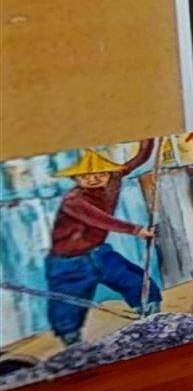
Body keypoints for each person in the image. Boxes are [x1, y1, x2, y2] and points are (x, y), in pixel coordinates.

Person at [43, 142, 159, 345]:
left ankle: (152, 317)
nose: (94, 179)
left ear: (109, 173)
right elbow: (98, 218)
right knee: (66, 304)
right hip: (68, 263)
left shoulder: (113, 179)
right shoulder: (73, 200)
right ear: (75, 179)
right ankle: (71, 343)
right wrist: (136, 230)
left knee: (135, 280)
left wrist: (149, 139)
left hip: (99, 253)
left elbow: (140, 158)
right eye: (86, 176)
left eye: (100, 174)